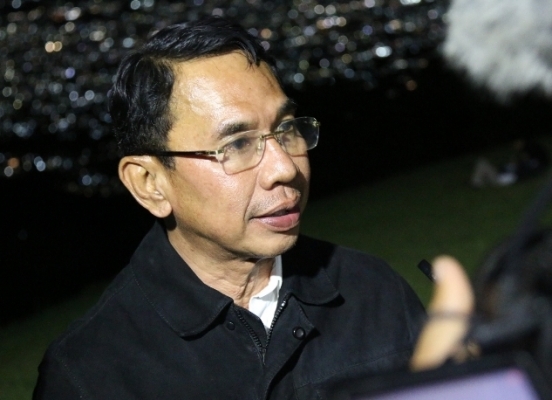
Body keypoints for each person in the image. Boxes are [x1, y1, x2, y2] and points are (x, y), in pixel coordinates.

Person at [33, 17, 425, 399]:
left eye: (286, 130)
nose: (285, 168)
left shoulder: (374, 292)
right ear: (150, 183)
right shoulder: (87, 375)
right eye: (236, 144)